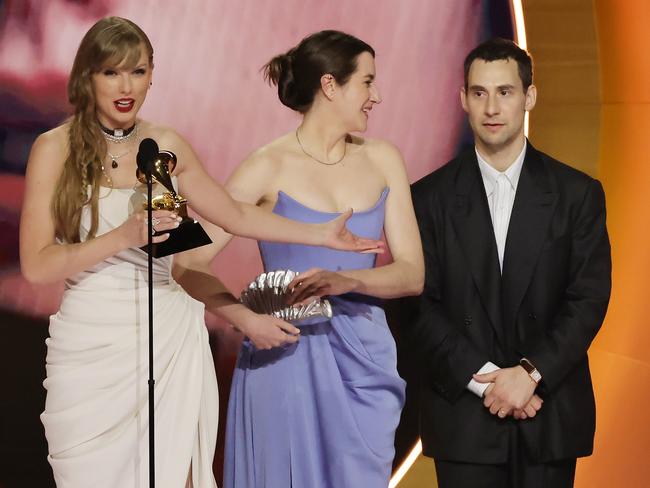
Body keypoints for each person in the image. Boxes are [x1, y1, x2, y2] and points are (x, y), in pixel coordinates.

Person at [18, 17, 382, 488]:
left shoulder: (163, 148)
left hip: (168, 335)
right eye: (112, 72)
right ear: (87, 76)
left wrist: (322, 235)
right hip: (90, 342)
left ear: (153, 74)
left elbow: (235, 214)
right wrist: (124, 237)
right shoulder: (54, 149)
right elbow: (37, 263)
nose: (127, 86)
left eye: (139, 71)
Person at [209, 30, 424, 488]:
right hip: (285, 355)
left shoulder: (384, 159)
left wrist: (348, 281)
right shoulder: (266, 165)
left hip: (365, 363)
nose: (377, 96)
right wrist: (245, 320)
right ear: (331, 86)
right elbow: (188, 261)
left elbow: (412, 273)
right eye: (367, 83)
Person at [407, 38, 611, 488]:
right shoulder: (425, 199)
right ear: (462, 99)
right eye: (479, 93)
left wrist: (531, 374)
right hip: (463, 414)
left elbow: (588, 299)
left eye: (505, 92)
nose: (492, 107)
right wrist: (488, 382)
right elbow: (416, 305)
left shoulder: (577, 194)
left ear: (529, 96)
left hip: (549, 411)